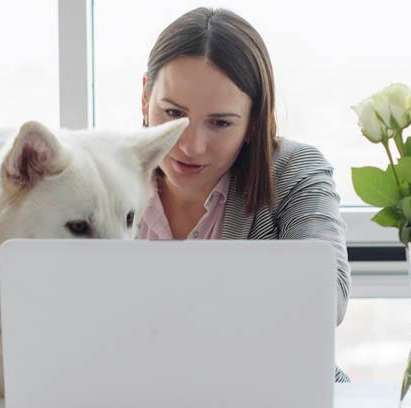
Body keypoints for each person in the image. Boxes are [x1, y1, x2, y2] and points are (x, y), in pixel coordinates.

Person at [138, 7, 351, 382]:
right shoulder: (105, 177)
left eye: (220, 123)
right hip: (133, 398)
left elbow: (326, 301)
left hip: (272, 400)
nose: (191, 145)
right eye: (172, 114)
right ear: (145, 99)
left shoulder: (293, 170)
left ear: (254, 122)